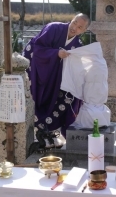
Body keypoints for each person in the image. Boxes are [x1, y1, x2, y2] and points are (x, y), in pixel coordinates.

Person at [22, 13, 90, 148]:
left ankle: (49, 131)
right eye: (75, 22)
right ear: (71, 19)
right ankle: (37, 130)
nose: (75, 27)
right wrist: (56, 54)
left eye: (80, 27)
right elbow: (37, 48)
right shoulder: (53, 28)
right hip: (35, 66)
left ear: (84, 31)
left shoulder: (77, 45)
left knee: (66, 96)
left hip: (55, 74)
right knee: (34, 95)